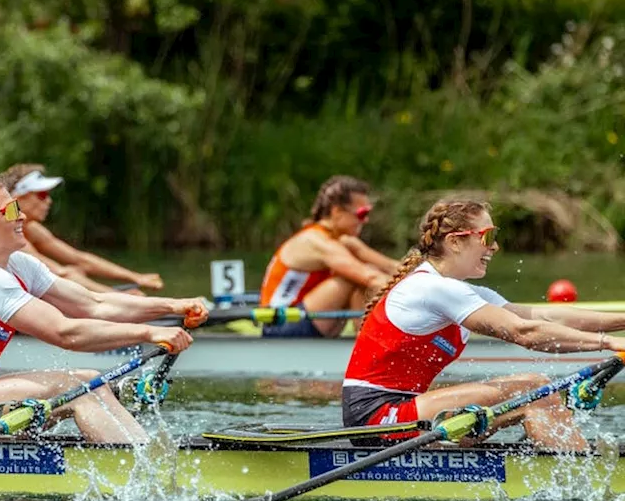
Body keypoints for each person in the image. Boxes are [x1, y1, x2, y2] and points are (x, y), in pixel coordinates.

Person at [0, 176, 208, 445]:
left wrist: (173, 306)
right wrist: (150, 333)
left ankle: (139, 455)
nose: (22, 217)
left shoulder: (18, 265)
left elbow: (93, 304)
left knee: (91, 383)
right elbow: (65, 332)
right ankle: (138, 469)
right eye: (10, 209)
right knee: (81, 386)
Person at [343, 199, 625, 451]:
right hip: (377, 417)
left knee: (538, 392)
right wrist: (608, 343)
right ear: (454, 242)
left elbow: (544, 317)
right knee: (535, 388)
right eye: (488, 236)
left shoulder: (465, 292)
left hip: (408, 410)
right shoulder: (431, 288)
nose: (495, 246)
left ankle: (567, 465)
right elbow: (523, 333)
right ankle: (579, 474)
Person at [259, 175, 399, 337]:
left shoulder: (342, 241)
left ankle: (366, 343)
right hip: (280, 326)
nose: (366, 220)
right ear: (337, 212)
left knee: (366, 277)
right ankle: (369, 345)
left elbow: (391, 267)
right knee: (354, 279)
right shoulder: (316, 241)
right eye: (361, 214)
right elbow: (371, 278)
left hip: (304, 319)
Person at [0, 163, 164, 294]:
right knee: (71, 274)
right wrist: (118, 297)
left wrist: (137, 278)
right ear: (17, 197)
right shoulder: (6, 231)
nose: (49, 201)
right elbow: (58, 274)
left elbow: (80, 259)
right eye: (42, 195)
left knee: (75, 272)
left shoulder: (32, 229)